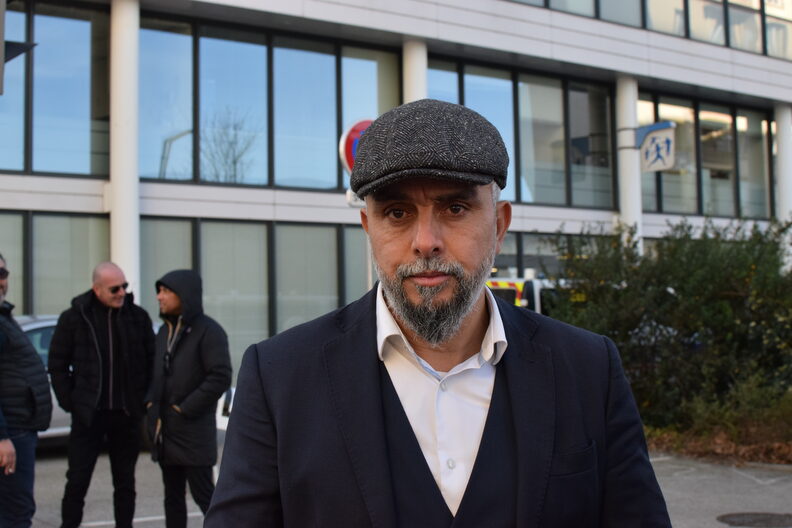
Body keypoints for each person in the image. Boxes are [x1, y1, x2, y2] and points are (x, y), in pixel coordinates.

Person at [205, 99, 671, 527]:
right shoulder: (281, 377)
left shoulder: (588, 369)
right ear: (368, 228)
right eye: (397, 213)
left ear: (500, 225)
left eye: (454, 207)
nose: (426, 241)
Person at [48, 262, 155, 528]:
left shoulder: (137, 317)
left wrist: (142, 402)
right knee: (77, 482)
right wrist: (71, 402)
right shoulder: (74, 317)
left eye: (124, 286)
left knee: (125, 484)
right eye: (114, 288)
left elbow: (152, 363)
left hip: (126, 415)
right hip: (88, 416)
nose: (122, 293)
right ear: (97, 289)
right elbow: (57, 363)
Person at [146, 269, 231, 528]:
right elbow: (157, 374)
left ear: (184, 295)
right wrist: (151, 405)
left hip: (192, 433)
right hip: (165, 433)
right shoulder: (164, 331)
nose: (159, 297)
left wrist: (183, 409)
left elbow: (220, 376)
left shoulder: (209, 331)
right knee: (172, 499)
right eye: (159, 291)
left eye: (165, 291)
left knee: (206, 498)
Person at [0, 253, 53, 528]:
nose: (1, 281)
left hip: (18, 430)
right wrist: (2, 437)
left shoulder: (4, 315)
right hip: (11, 434)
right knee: (15, 514)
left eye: (3, 274)